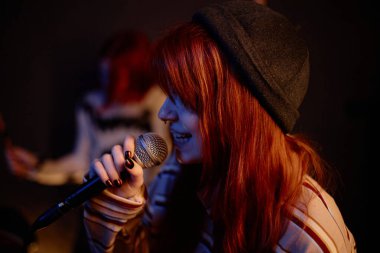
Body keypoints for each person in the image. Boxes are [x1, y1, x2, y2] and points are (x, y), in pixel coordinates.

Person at [83, 1, 357, 252]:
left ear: (241, 113)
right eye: (168, 93)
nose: (165, 113)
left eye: (186, 99)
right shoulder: (175, 173)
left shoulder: (308, 231)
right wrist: (120, 211)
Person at [5, 30, 170, 187]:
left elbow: (164, 160)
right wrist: (36, 167)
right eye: (103, 73)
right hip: (98, 191)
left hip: (142, 198)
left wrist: (150, 204)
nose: (107, 83)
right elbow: (80, 162)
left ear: (134, 72)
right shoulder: (90, 104)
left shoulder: (156, 101)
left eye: (113, 76)